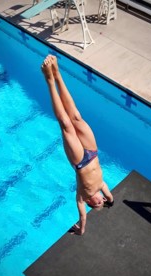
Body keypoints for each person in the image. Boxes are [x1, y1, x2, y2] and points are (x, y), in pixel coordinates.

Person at [41, 55, 114, 235]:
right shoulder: (102, 187)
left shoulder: (81, 198)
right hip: (93, 152)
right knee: (76, 117)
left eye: (98, 204)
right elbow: (111, 198)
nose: (101, 201)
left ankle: (49, 80)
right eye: (102, 202)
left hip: (80, 161)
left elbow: (83, 217)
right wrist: (110, 202)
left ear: (90, 203)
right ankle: (57, 74)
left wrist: (80, 230)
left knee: (66, 124)